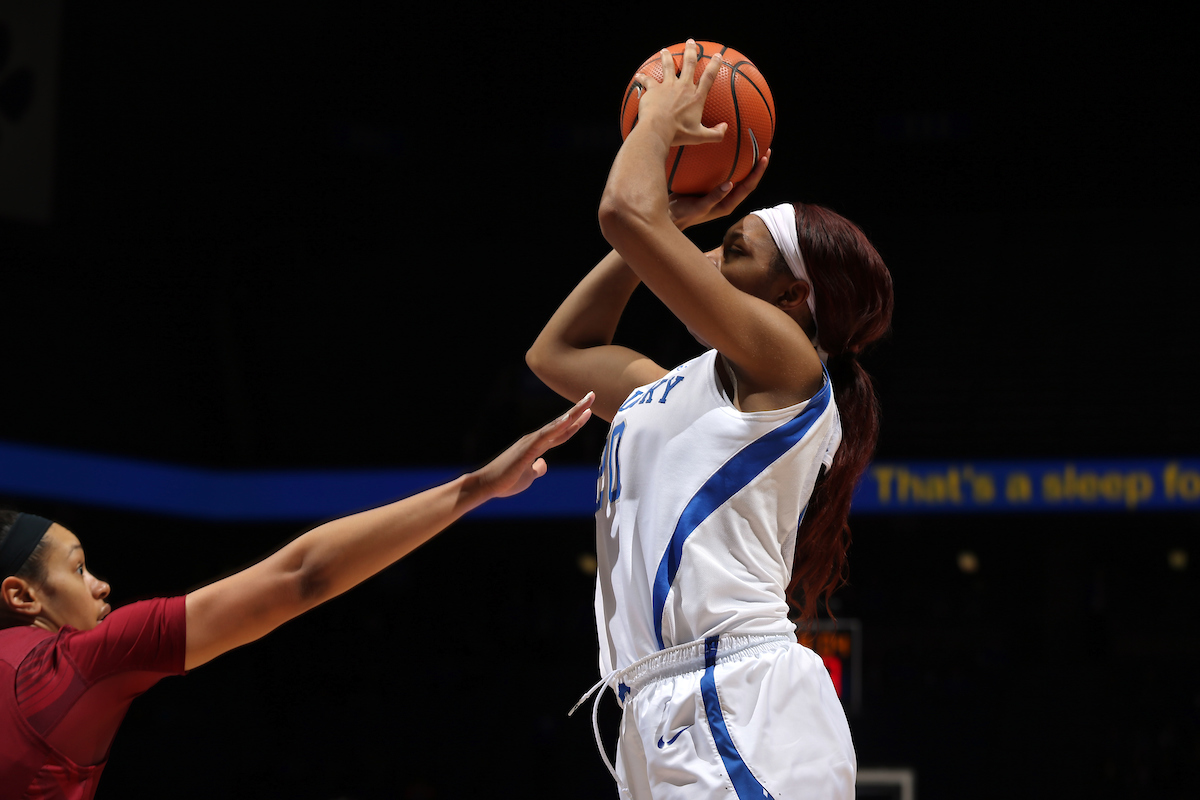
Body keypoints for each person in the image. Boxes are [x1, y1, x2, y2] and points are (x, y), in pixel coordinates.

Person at [526, 41, 893, 800]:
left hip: (738, 699)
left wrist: (655, 128)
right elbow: (556, 354)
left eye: (732, 250)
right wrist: (671, 218)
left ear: (792, 299)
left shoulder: (791, 367)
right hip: (655, 707)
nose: (705, 259)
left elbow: (622, 211)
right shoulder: (670, 392)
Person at [0, 392, 593, 799]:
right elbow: (302, 577)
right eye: (78, 569)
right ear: (21, 596)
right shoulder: (63, 671)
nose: (100, 584)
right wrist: (475, 488)